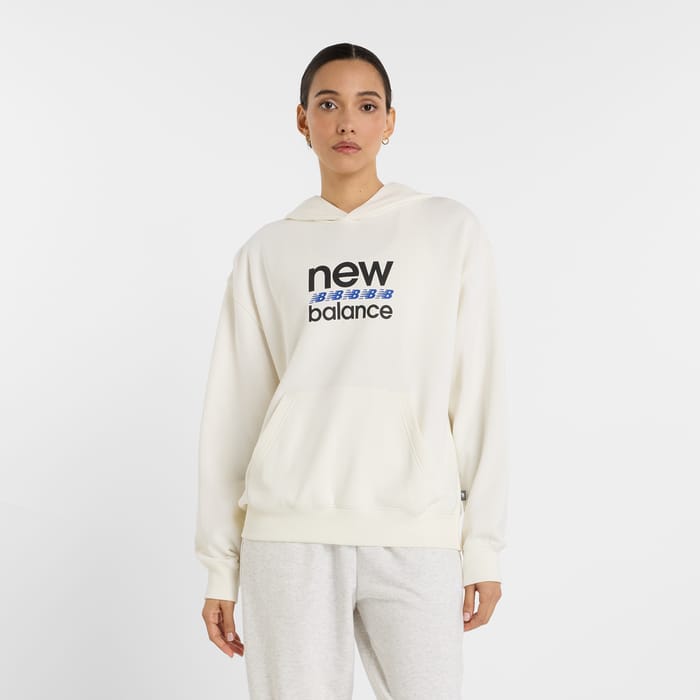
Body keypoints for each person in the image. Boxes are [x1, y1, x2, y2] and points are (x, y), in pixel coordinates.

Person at [194, 42, 510, 699]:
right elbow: (235, 414)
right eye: (328, 104)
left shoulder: (447, 230)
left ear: (390, 121)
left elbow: (478, 390)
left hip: (415, 530)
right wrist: (221, 565)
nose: (346, 122)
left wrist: (482, 545)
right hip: (289, 535)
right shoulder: (267, 251)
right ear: (302, 120)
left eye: (366, 106)